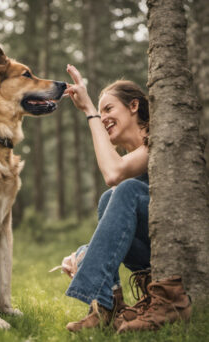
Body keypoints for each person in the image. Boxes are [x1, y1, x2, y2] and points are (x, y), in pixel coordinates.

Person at [62, 64, 191, 332]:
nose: (104, 117)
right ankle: (107, 306)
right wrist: (83, 255)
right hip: (153, 252)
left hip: (183, 244)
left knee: (122, 190)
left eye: (109, 109)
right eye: (101, 112)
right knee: (108, 199)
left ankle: (107, 298)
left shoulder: (157, 141)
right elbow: (116, 176)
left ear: (134, 106)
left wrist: (90, 112)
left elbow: (113, 173)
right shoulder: (132, 163)